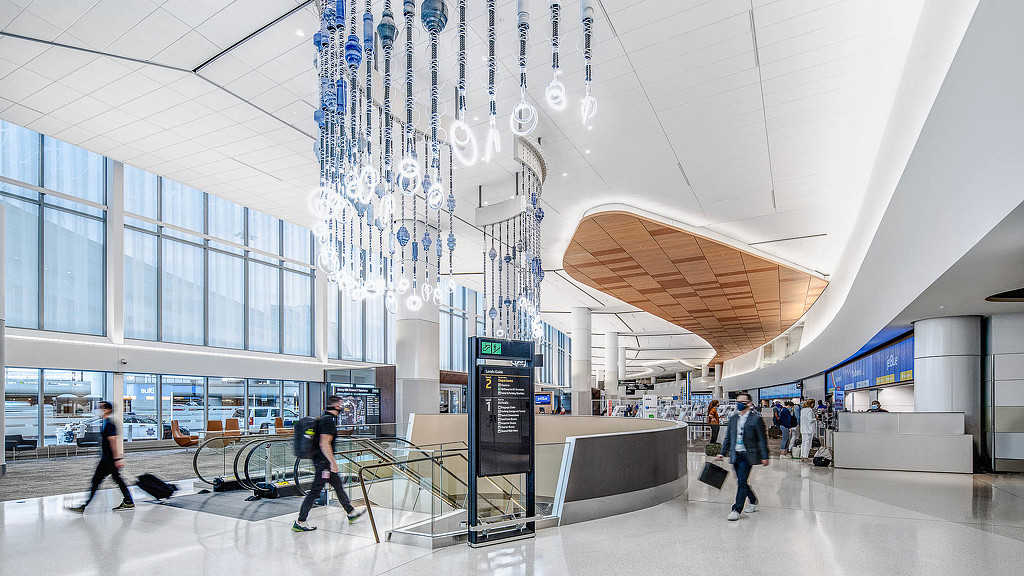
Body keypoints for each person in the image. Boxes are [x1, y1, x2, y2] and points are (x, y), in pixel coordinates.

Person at [293, 395, 365, 532]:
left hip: (322, 461)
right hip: (323, 463)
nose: (342, 407)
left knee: (338, 486)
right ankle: (300, 521)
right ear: (336, 406)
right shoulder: (328, 422)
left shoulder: (323, 419)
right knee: (315, 491)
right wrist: (332, 462)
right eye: (341, 404)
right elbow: (324, 443)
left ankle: (350, 512)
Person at [69, 401, 134, 513]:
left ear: (107, 410)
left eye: (101, 407)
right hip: (107, 458)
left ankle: (85, 505)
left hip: (108, 460)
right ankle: (128, 500)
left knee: (97, 481)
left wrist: (118, 458)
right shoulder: (105, 422)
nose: (99, 410)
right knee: (117, 479)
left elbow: (113, 442)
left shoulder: (110, 424)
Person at [716, 392, 769, 521]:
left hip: (748, 455)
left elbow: (762, 439)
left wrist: (765, 456)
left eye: (743, 402)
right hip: (735, 454)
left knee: (741, 481)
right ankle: (753, 500)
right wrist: (722, 453)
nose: (739, 404)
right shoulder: (734, 419)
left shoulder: (755, 419)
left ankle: (736, 509)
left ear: (749, 404)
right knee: (742, 481)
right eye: (738, 402)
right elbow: (728, 438)